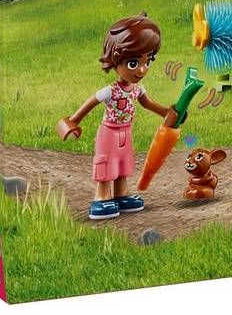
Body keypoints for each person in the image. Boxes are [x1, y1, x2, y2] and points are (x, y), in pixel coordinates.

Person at [57, 14, 177, 221]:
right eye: (133, 63)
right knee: (106, 163)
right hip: (109, 133)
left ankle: (121, 195)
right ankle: (101, 198)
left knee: (123, 162)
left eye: (147, 61)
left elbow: (148, 104)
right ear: (115, 60)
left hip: (126, 132)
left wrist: (167, 112)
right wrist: (73, 121)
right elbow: (90, 102)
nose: (142, 69)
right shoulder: (110, 90)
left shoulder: (137, 89)